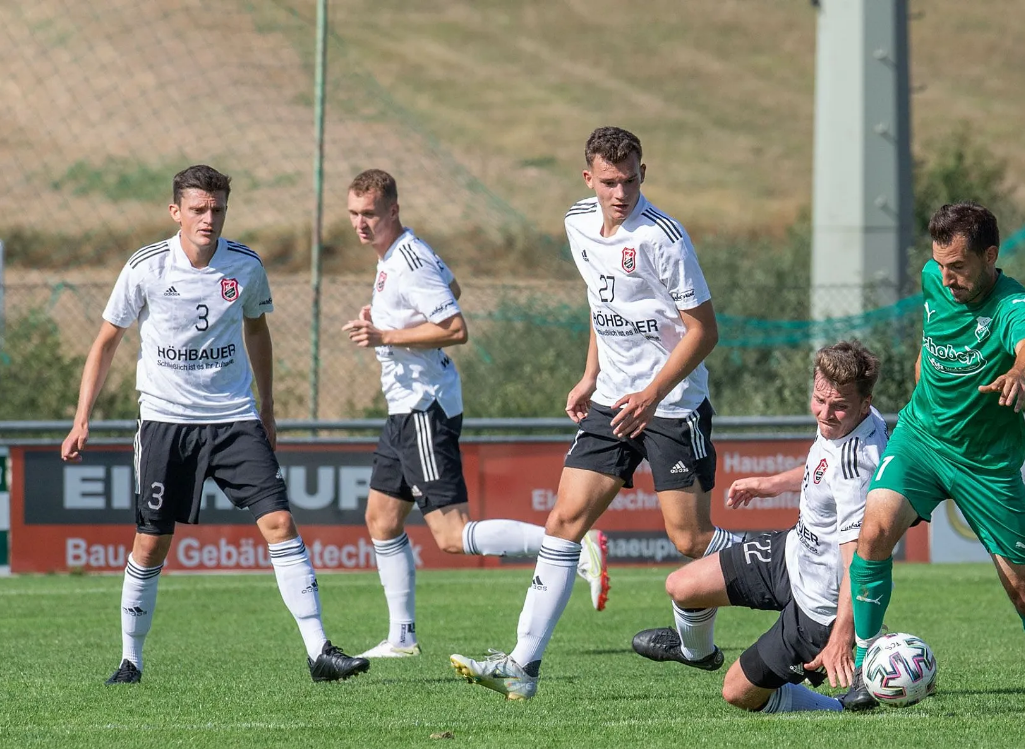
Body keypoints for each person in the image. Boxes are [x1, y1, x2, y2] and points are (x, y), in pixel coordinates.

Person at [449, 126, 745, 700]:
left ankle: (786, 571)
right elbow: (599, 301)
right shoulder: (577, 223)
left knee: (690, 540)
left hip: (671, 405)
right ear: (589, 179)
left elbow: (704, 331)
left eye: (630, 180)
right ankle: (522, 666)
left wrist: (652, 394)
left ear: (643, 174)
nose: (621, 192)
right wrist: (591, 375)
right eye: (609, 182)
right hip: (611, 400)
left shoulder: (663, 238)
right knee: (564, 522)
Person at [61, 165, 367, 685]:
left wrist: (267, 407)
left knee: (281, 523)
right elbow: (106, 341)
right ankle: (131, 661)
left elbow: (257, 330)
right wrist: (81, 418)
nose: (208, 218)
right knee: (151, 544)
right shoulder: (146, 267)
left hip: (233, 419)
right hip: (166, 422)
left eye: (217, 209)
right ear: (175, 212)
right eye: (198, 209)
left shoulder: (245, 265)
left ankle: (320, 651)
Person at [341, 169, 610, 659]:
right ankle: (401, 638)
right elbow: (453, 286)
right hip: (405, 408)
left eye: (370, 214)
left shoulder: (407, 259)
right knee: (381, 519)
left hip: (424, 407)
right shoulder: (398, 256)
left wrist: (386, 335)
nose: (361, 223)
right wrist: (384, 319)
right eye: (354, 214)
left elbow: (455, 326)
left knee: (450, 534)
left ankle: (572, 545)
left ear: (392, 211)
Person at [839, 201, 1025, 711]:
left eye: (957, 265)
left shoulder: (1013, 304)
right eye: (940, 264)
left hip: (985, 464)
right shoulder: (933, 280)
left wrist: (1019, 372)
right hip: (922, 440)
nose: (946, 277)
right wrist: (921, 390)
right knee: (873, 533)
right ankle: (867, 668)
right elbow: (930, 341)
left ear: (990, 256)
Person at [636, 342, 885, 713]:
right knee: (682, 586)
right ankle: (696, 653)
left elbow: (859, 564)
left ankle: (841, 708)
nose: (825, 414)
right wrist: (772, 484)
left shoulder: (857, 468)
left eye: (838, 407)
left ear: (865, 404)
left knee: (738, 692)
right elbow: (823, 469)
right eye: (819, 400)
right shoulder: (852, 417)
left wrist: (841, 637)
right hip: (792, 554)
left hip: (820, 607)